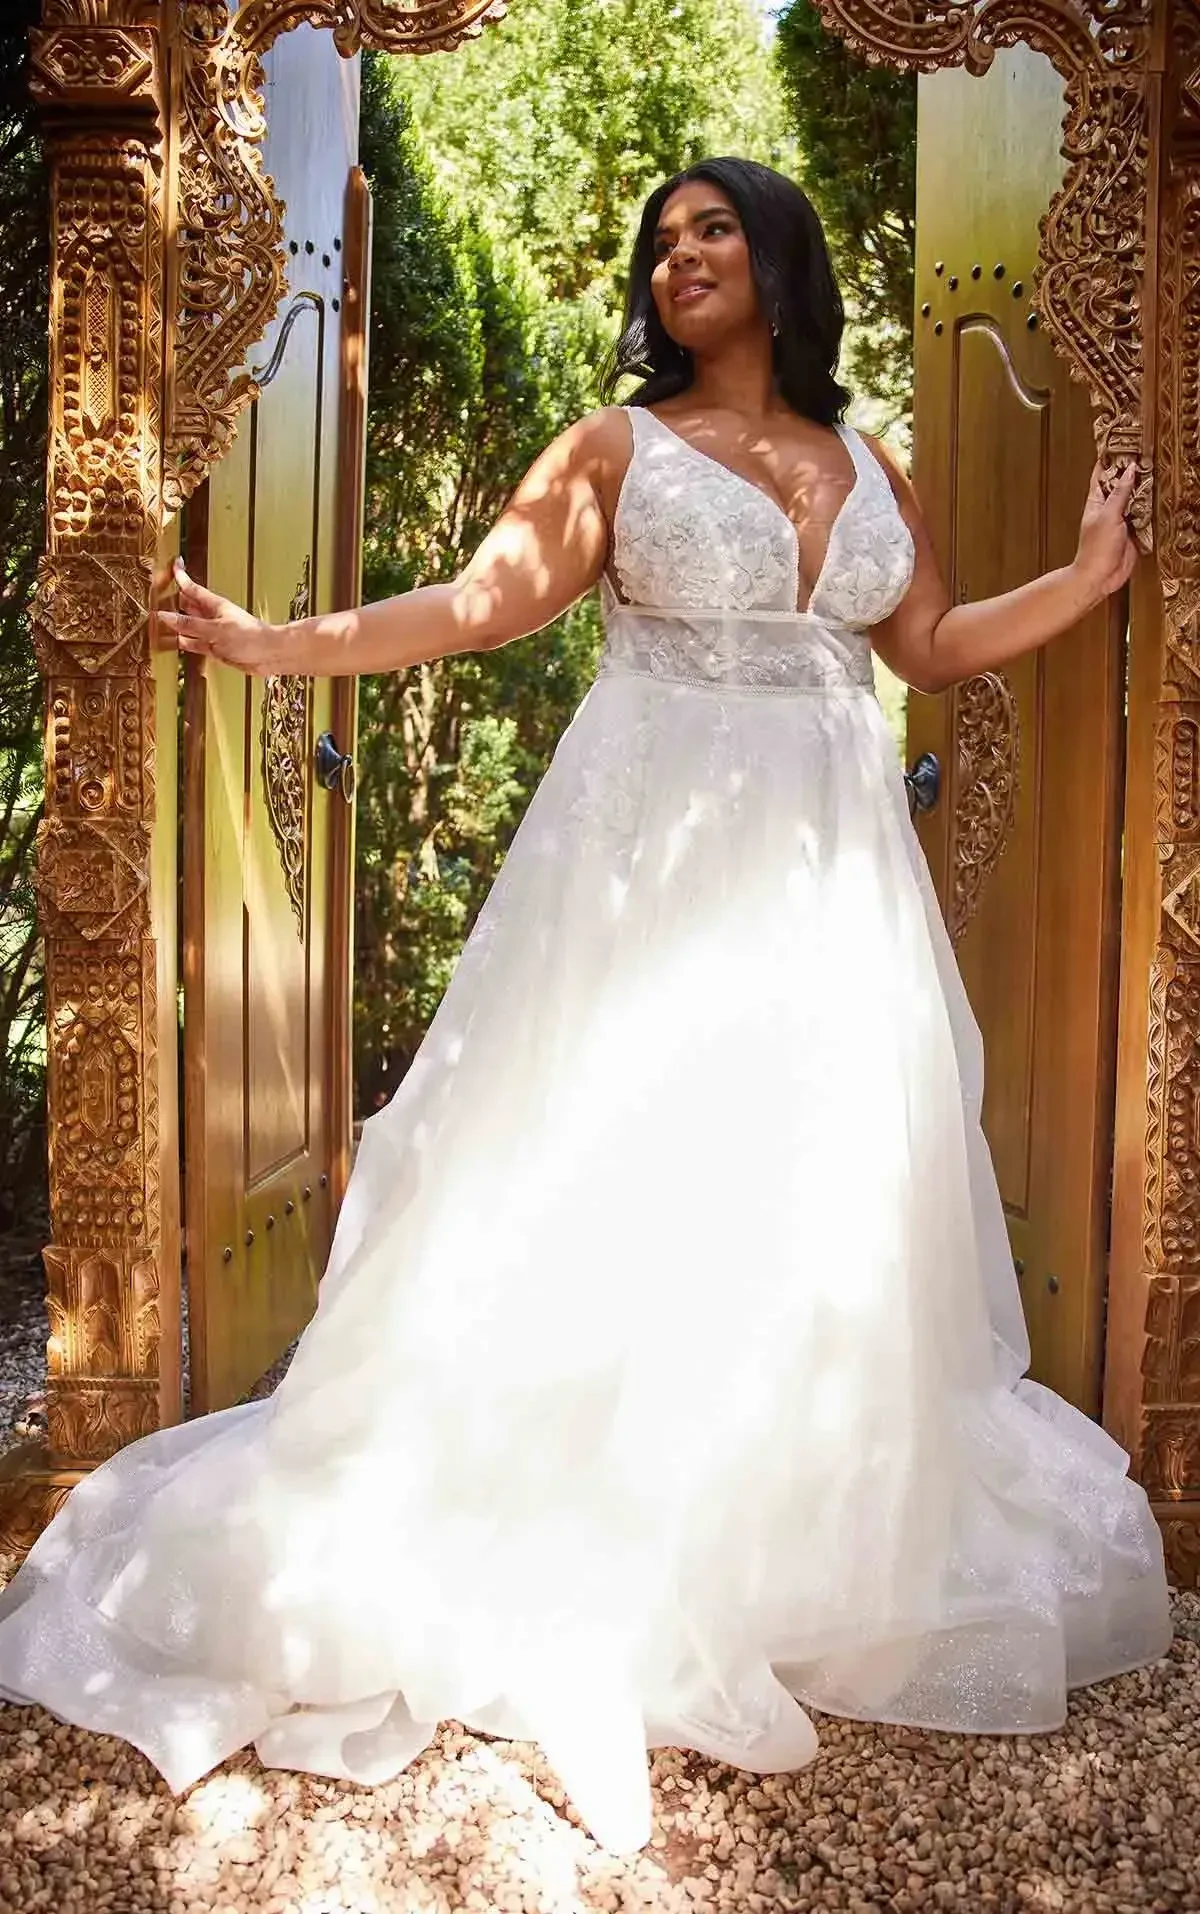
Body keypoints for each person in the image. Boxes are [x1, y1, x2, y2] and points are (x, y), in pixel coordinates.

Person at [0, 159, 1170, 1855]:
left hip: (831, 898)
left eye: (714, 228)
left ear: (781, 258)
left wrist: (1086, 571)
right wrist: (271, 644)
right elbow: (478, 606)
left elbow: (931, 644)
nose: (682, 254)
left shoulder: (873, 463)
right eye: (663, 239)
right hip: (640, 876)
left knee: (809, 1199)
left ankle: (775, 1528)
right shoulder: (615, 449)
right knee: (618, 1172)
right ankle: (587, 1524)